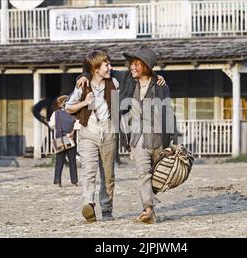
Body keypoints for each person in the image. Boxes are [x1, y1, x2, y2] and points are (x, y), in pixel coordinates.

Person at [121, 46, 176, 224]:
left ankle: (149, 203)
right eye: (131, 64)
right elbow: (97, 72)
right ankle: (149, 210)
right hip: (137, 138)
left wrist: (171, 143)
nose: (132, 67)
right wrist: (82, 76)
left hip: (158, 137)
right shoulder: (128, 82)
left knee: (156, 176)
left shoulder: (160, 85)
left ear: (145, 65)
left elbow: (168, 113)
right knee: (143, 173)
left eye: (136, 64)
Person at [65, 50, 118, 223]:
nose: (110, 67)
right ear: (96, 68)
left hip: (108, 130)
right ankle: (88, 203)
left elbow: (116, 111)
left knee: (108, 175)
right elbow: (68, 107)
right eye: (107, 64)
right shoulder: (83, 85)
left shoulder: (114, 83)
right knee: (89, 171)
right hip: (88, 131)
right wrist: (85, 102)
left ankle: (107, 208)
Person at [48, 95, 78, 188]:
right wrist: (72, 133)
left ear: (60, 104)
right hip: (70, 138)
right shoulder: (74, 113)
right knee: (72, 161)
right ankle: (74, 181)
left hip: (60, 138)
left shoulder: (56, 113)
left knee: (59, 160)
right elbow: (77, 124)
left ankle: (58, 181)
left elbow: (52, 125)